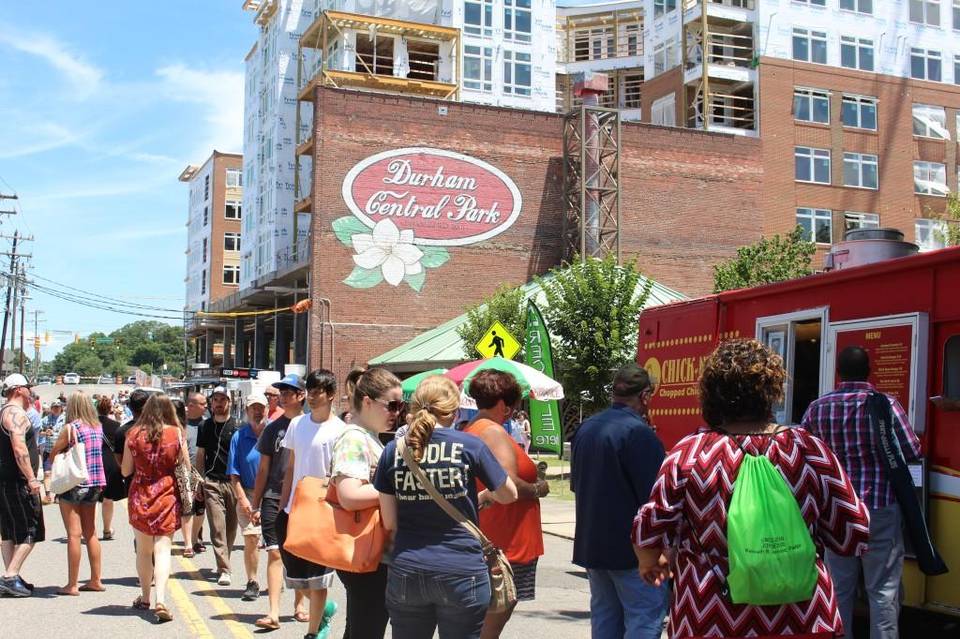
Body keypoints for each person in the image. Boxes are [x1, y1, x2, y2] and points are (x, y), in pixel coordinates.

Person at [634, 339, 871, 638]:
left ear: (710, 393)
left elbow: (650, 527)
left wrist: (649, 561)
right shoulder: (808, 450)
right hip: (802, 618)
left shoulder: (690, 454)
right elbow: (853, 531)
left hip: (711, 617)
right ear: (771, 391)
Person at [373, 375, 518, 639]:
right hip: (462, 569)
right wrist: (484, 497)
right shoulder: (470, 446)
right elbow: (509, 494)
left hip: (408, 568)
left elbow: (390, 522)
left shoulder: (393, 450)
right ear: (454, 410)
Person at [800, 345, 920, 639]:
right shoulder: (884, 404)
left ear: (838, 372)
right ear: (869, 370)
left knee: (839, 588)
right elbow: (912, 449)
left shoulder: (818, 408)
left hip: (837, 510)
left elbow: (802, 453)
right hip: (879, 508)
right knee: (883, 591)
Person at [570, 362, 669, 639]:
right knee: (644, 618)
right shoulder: (639, 434)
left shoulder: (586, 428)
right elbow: (656, 502)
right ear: (645, 396)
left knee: (605, 618)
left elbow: (577, 486)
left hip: (594, 546)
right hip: (634, 553)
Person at [462, 370, 547, 639]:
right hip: (505, 541)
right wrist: (537, 488)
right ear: (502, 404)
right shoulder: (493, 431)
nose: (513, 410)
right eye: (513, 404)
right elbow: (506, 482)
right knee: (490, 624)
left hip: (497, 536)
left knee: (482, 620)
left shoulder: (473, 428)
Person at [331, 368, 402, 639]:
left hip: (370, 550)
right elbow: (349, 495)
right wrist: (396, 492)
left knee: (361, 628)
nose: (396, 412)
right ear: (368, 402)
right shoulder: (354, 438)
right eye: (391, 405)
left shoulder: (369, 437)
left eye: (400, 405)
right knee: (367, 629)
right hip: (364, 550)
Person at [276, 369, 345, 639]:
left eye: (318, 392)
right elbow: (291, 467)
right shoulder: (297, 424)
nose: (313, 397)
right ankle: (325, 608)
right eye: (310, 392)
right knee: (295, 576)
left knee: (317, 578)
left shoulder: (341, 430)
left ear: (330, 395)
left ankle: (314, 631)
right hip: (293, 509)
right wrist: (283, 506)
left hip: (322, 512)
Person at [122, 394, 191, 623]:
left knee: (143, 551)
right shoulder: (176, 433)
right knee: (163, 549)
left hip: (140, 494)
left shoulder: (133, 434)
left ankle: (145, 597)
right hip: (166, 493)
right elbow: (185, 466)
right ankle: (161, 598)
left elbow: (125, 471)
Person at [250, 373, 309, 630]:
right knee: (274, 553)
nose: (284, 396)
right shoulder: (272, 428)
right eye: (281, 392)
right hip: (274, 496)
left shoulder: (310, 425)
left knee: (299, 552)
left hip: (304, 497)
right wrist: (255, 503)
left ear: (301, 396)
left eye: (289, 392)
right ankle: (273, 611)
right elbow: (263, 469)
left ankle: (300, 604)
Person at [50, 392, 107, 596]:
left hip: (74, 483)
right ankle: (95, 580)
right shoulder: (97, 427)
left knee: (74, 534)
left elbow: (53, 453)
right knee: (90, 532)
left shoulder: (71, 428)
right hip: (95, 483)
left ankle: (72, 584)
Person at [0, 374, 44, 597]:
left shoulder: (3, 412)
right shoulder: (17, 414)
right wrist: (31, 478)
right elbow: (19, 448)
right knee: (31, 529)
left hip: (5, 480)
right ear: (18, 390)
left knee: (8, 531)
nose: (31, 392)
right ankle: (10, 576)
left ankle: (10, 576)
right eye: (28, 388)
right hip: (17, 481)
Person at [196, 386, 239, 586]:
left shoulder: (238, 426)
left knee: (230, 528)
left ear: (229, 402)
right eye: (216, 400)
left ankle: (225, 559)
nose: (219, 403)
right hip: (212, 482)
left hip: (233, 482)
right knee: (217, 526)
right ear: (211, 403)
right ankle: (224, 568)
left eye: (223, 400)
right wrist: (199, 481)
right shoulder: (204, 427)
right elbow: (200, 455)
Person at [227, 394, 267, 602]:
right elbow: (234, 475)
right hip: (248, 492)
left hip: (271, 493)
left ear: (267, 409)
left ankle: (280, 578)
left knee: (276, 545)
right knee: (251, 536)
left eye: (261, 407)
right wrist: (242, 500)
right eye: (253, 408)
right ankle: (252, 581)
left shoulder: (273, 434)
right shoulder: (239, 437)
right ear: (247, 411)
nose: (257, 412)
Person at [97, 396, 123, 541]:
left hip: (94, 460)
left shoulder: (91, 424)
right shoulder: (116, 425)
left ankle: (90, 530)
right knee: (108, 498)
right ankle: (107, 530)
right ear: (110, 409)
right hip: (111, 462)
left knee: (92, 498)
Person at [184, 392, 207, 554]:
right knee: (187, 509)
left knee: (200, 509)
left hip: (202, 475)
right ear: (191, 406)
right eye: (202, 404)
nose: (206, 406)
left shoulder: (207, 424)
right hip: (184, 474)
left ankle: (196, 537)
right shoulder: (180, 425)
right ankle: (190, 541)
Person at [39, 399, 65, 499]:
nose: (56, 409)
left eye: (58, 407)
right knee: (47, 473)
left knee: (60, 473)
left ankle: (58, 495)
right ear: (51, 408)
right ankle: (47, 495)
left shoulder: (65, 418)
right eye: (54, 407)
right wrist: (45, 433)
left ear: (61, 408)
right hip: (48, 450)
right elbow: (40, 432)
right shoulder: (46, 419)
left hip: (60, 451)